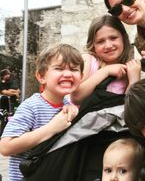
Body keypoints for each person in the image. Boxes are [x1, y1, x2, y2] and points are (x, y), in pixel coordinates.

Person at [0, 43, 84, 181]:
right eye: (59, 68)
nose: (68, 74)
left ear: (81, 76)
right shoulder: (32, 106)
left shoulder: (67, 106)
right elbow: (6, 147)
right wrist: (51, 128)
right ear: (41, 77)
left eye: (74, 69)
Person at [71, 15, 141, 105]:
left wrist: (133, 81)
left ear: (123, 38)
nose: (108, 45)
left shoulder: (129, 71)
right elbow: (76, 97)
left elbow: (129, 108)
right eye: (100, 41)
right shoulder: (88, 60)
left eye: (113, 38)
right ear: (93, 45)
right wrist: (106, 71)